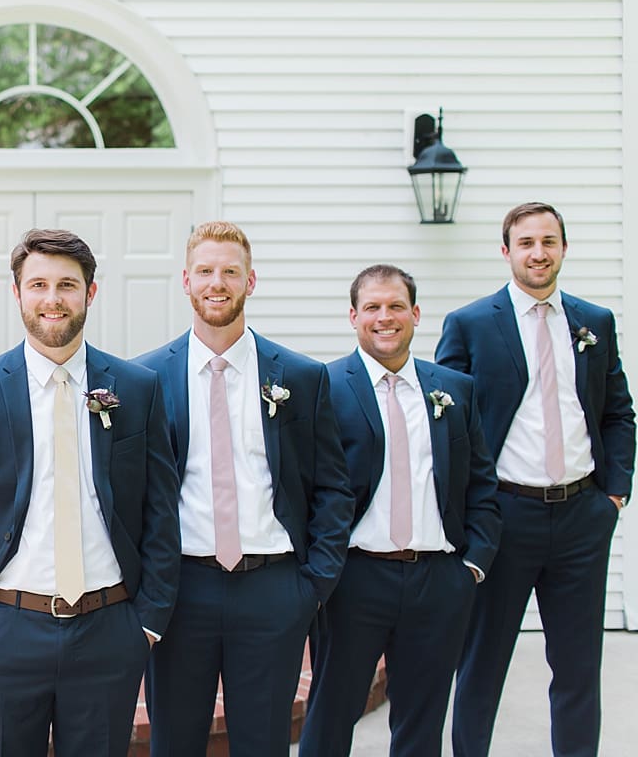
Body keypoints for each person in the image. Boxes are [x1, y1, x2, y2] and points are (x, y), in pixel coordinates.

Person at [0, 228, 180, 757]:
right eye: (37, 283)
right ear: (16, 293)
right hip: (2, 630)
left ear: (90, 293)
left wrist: (148, 624)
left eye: (67, 285)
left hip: (110, 629)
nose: (52, 299)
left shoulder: (137, 389)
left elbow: (159, 511)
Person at [135, 220, 354, 757]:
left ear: (251, 281)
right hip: (180, 590)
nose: (217, 283)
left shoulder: (301, 378)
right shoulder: (145, 380)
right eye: (206, 271)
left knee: (264, 743)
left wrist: (313, 586)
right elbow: (131, 495)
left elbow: (332, 487)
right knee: (175, 741)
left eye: (230, 272)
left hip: (273, 588)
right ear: (186, 281)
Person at [436, 202, 634, 757]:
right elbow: (447, 428)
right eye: (526, 243)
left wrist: (613, 494)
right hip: (506, 518)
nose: (538, 253)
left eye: (549, 242)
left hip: (582, 518)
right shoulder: (471, 325)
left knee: (577, 669)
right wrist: (470, 515)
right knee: (483, 662)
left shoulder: (595, 322)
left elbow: (618, 412)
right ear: (506, 252)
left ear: (564, 248)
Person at [297, 264, 501, 756]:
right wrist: (323, 574)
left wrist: (471, 565)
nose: (384, 318)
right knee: (330, 717)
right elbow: (304, 490)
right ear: (353, 316)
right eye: (372, 307)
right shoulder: (324, 386)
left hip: (439, 580)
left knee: (421, 722)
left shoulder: (454, 389)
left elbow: (481, 484)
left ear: (415, 313)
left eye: (395, 307)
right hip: (355, 580)